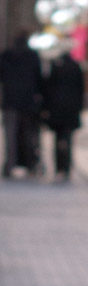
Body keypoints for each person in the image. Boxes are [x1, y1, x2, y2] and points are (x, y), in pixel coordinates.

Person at [1, 29, 44, 177]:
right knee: (29, 135)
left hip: (11, 102)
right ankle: (31, 164)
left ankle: (10, 165)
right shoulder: (32, 56)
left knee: (10, 136)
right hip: (28, 103)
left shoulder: (7, 55)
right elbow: (39, 80)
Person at [41, 50, 86, 181]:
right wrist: (79, 108)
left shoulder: (56, 67)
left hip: (57, 111)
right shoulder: (76, 67)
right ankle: (66, 167)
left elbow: (48, 89)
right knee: (68, 138)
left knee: (57, 139)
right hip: (70, 110)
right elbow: (80, 90)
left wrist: (46, 108)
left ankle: (58, 167)